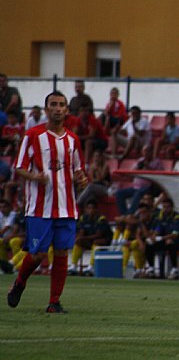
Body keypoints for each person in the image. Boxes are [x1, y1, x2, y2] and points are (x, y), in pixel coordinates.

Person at [7, 90, 88, 313]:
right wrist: (34, 177)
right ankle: (20, 282)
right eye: (53, 104)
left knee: (61, 253)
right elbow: (19, 167)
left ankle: (54, 302)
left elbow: (79, 170)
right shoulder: (33, 135)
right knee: (38, 254)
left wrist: (81, 179)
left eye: (61, 104)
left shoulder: (73, 140)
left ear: (67, 110)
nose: (58, 108)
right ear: (46, 109)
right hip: (39, 208)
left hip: (66, 207)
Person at [144, 197, 179, 279]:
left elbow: (175, 235)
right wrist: (153, 237)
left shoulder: (177, 218)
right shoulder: (161, 217)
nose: (165, 209)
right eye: (164, 207)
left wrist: (161, 238)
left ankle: (174, 270)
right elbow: (158, 230)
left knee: (170, 242)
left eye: (167, 207)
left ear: (172, 207)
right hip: (166, 240)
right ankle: (151, 269)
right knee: (149, 243)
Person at [115, 145, 163, 216]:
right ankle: (124, 214)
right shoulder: (140, 160)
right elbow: (131, 172)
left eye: (147, 151)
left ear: (151, 152)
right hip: (136, 187)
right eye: (144, 151)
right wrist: (138, 167)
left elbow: (159, 176)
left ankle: (130, 214)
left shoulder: (157, 162)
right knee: (119, 193)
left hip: (149, 187)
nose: (146, 153)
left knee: (138, 194)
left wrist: (148, 167)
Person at [68, 200, 112, 276]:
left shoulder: (101, 219)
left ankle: (91, 267)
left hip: (103, 241)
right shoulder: (83, 218)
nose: (90, 210)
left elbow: (98, 235)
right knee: (78, 243)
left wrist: (84, 238)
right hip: (89, 240)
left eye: (92, 208)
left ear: (96, 209)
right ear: (86, 209)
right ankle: (73, 266)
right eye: (89, 208)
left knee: (96, 242)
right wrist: (79, 238)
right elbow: (81, 231)